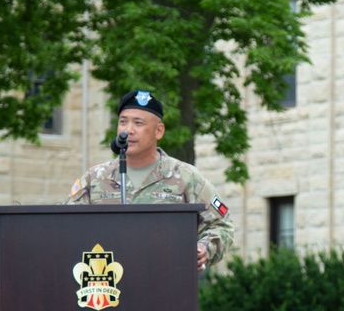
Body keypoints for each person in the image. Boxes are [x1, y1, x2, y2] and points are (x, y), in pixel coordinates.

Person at [66, 89, 234, 271]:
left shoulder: (185, 177)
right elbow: (63, 224)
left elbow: (221, 225)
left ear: (158, 131)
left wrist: (204, 249)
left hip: (166, 281)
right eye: (123, 122)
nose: (128, 130)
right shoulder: (95, 178)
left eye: (138, 123)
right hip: (106, 288)